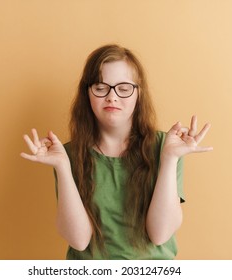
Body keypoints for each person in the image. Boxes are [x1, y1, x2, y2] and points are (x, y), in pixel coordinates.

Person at [21, 44, 213, 259]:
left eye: (123, 88)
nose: (112, 97)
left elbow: (160, 234)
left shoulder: (167, 146)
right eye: (101, 87)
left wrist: (170, 159)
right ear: (88, 93)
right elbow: (79, 240)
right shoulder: (66, 154)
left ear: (138, 94)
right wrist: (62, 167)